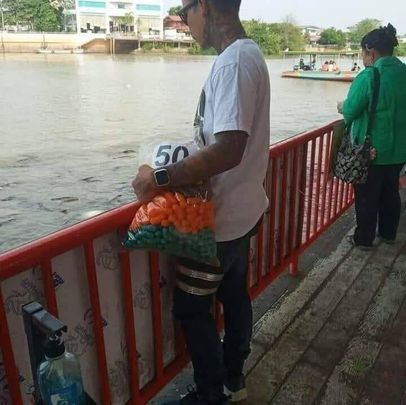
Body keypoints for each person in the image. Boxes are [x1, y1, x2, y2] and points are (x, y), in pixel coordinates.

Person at [131, 0, 270, 404]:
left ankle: (211, 394)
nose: (184, 20)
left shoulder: (232, 64)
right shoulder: (250, 53)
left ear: (204, 6)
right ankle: (234, 378)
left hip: (218, 223)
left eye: (184, 11)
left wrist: (159, 177)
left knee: (193, 309)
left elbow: (228, 148)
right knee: (234, 295)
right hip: (244, 212)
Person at [337, 23, 406, 249]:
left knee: (367, 197)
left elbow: (350, 111)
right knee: (391, 192)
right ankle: (388, 234)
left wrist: (342, 106)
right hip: (400, 150)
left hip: (372, 150)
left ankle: (364, 240)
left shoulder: (369, 76)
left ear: (371, 52)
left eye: (363, 53)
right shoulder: (403, 72)